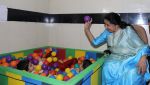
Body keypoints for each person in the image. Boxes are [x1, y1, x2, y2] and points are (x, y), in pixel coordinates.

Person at [84, 12, 150, 85]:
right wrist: (87, 29)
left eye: (108, 25)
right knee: (107, 67)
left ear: (116, 25)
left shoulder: (128, 31)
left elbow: (144, 46)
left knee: (131, 73)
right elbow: (95, 42)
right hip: (115, 58)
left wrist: (143, 58)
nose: (105, 27)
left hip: (132, 58)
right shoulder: (107, 32)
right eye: (105, 24)